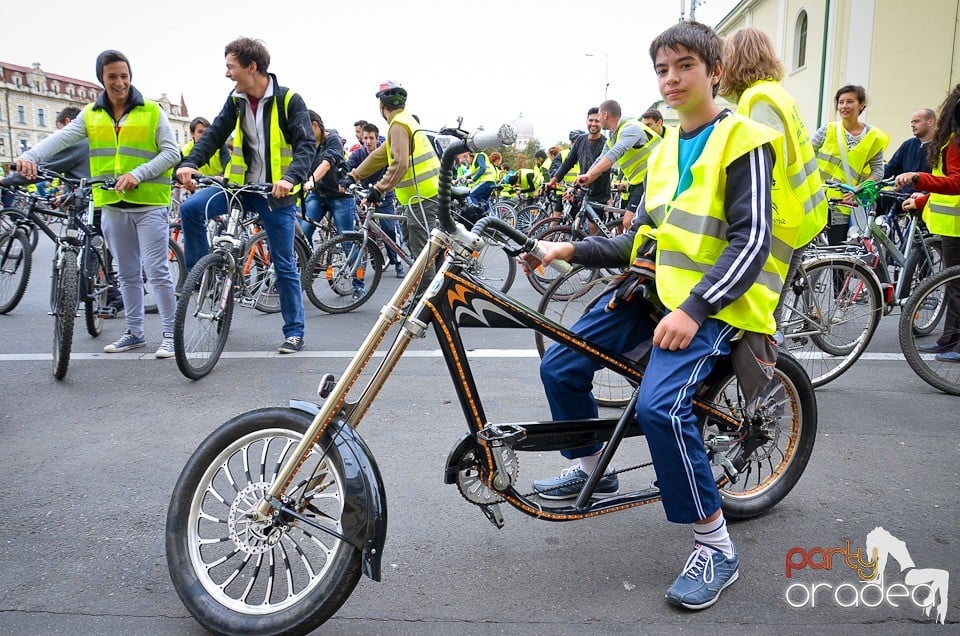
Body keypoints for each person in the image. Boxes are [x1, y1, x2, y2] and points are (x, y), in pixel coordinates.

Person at [524, 20, 782, 610]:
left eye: (684, 65)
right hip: (656, 295)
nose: (671, 79)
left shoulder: (743, 139)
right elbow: (641, 240)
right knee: (560, 364)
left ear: (715, 72)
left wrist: (695, 308)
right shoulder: (665, 149)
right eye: (662, 69)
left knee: (660, 408)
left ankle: (716, 546)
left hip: (718, 305)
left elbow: (753, 241)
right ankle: (593, 468)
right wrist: (569, 249)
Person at [16, 49, 180, 358]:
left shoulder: (152, 111)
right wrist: (30, 156)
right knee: (126, 272)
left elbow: (172, 153)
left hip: (149, 204)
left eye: (124, 76)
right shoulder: (90, 114)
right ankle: (134, 333)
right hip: (111, 204)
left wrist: (138, 173)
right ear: (101, 80)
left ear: (131, 77)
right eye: (112, 77)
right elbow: (59, 140)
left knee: (157, 272)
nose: (119, 83)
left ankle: (171, 335)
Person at [176, 37, 315, 354]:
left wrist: (290, 178)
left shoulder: (288, 100)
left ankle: (294, 332)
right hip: (238, 188)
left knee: (283, 263)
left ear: (252, 67)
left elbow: (306, 146)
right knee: (191, 210)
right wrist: (189, 163)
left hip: (274, 193)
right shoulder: (236, 99)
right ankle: (204, 278)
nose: (227, 74)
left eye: (231, 67)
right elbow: (214, 134)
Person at [718, 27, 828, 322]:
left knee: (764, 313)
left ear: (734, 61)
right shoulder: (777, 93)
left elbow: (763, 165)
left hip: (784, 219)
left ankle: (774, 368)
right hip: (805, 208)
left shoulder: (757, 100)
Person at [340, 80, 440, 293]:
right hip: (419, 196)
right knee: (414, 243)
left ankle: (426, 302)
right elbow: (379, 156)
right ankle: (437, 285)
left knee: (423, 251)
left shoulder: (398, 126)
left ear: (381, 106)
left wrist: (379, 189)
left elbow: (400, 163)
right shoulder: (405, 122)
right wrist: (353, 175)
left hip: (423, 196)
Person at [894, 84, 960, 362]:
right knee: (954, 287)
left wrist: (918, 179)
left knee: (956, 287)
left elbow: (955, 182)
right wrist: (921, 199)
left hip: (955, 227)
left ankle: (954, 344)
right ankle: (949, 340)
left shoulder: (953, 142)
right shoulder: (950, 142)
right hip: (949, 227)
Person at [812, 85, 889, 245]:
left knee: (837, 250)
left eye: (849, 101)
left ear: (861, 105)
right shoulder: (827, 130)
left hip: (844, 203)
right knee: (810, 249)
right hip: (817, 197)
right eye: (840, 102)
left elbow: (878, 171)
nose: (844, 106)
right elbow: (805, 155)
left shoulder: (874, 137)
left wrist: (860, 188)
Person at [576, 99, 662, 229]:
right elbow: (601, 158)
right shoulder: (613, 136)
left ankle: (644, 248)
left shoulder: (630, 128)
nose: (597, 120)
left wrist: (590, 175)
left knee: (629, 221)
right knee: (628, 223)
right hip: (638, 182)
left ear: (605, 115)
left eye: (598, 116)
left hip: (654, 177)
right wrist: (587, 176)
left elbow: (614, 154)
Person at [348, 121, 404, 278]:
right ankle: (366, 260)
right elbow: (348, 167)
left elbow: (392, 173)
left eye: (371, 138)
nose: (368, 141)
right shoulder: (358, 154)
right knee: (360, 229)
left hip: (384, 195)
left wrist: (380, 190)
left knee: (388, 229)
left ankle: (397, 262)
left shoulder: (385, 152)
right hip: (365, 197)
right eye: (365, 138)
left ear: (377, 138)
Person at [299, 110, 352, 245]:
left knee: (346, 241)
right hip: (318, 194)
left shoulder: (333, 139)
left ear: (315, 125)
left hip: (339, 194)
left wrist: (311, 181)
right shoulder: (307, 144)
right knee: (302, 233)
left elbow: (327, 163)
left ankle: (358, 267)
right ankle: (311, 264)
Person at [548, 109, 610, 210]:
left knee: (591, 226)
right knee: (573, 220)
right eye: (591, 120)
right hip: (581, 190)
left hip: (598, 193)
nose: (593, 124)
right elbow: (567, 163)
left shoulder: (606, 144)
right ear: (586, 121)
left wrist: (575, 187)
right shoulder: (580, 140)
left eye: (597, 121)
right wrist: (552, 182)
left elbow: (601, 169)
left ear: (602, 122)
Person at [884, 109, 936, 195]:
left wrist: (924, 195)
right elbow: (891, 169)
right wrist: (872, 177)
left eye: (916, 121)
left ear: (930, 122)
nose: (912, 125)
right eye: (912, 122)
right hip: (903, 199)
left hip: (926, 200)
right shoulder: (908, 145)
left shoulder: (941, 147)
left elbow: (941, 180)